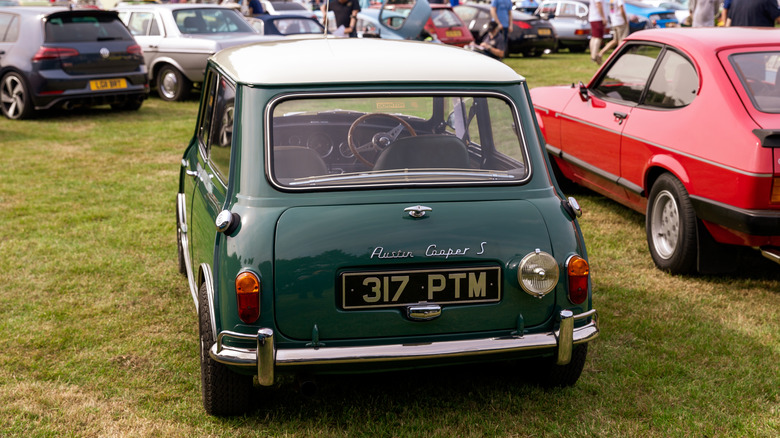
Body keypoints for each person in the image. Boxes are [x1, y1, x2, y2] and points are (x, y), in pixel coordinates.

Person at [588, 0, 609, 65]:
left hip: (593, 17)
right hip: (597, 18)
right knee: (598, 37)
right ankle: (594, 57)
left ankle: (593, 55)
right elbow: (598, 4)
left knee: (594, 36)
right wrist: (603, 17)